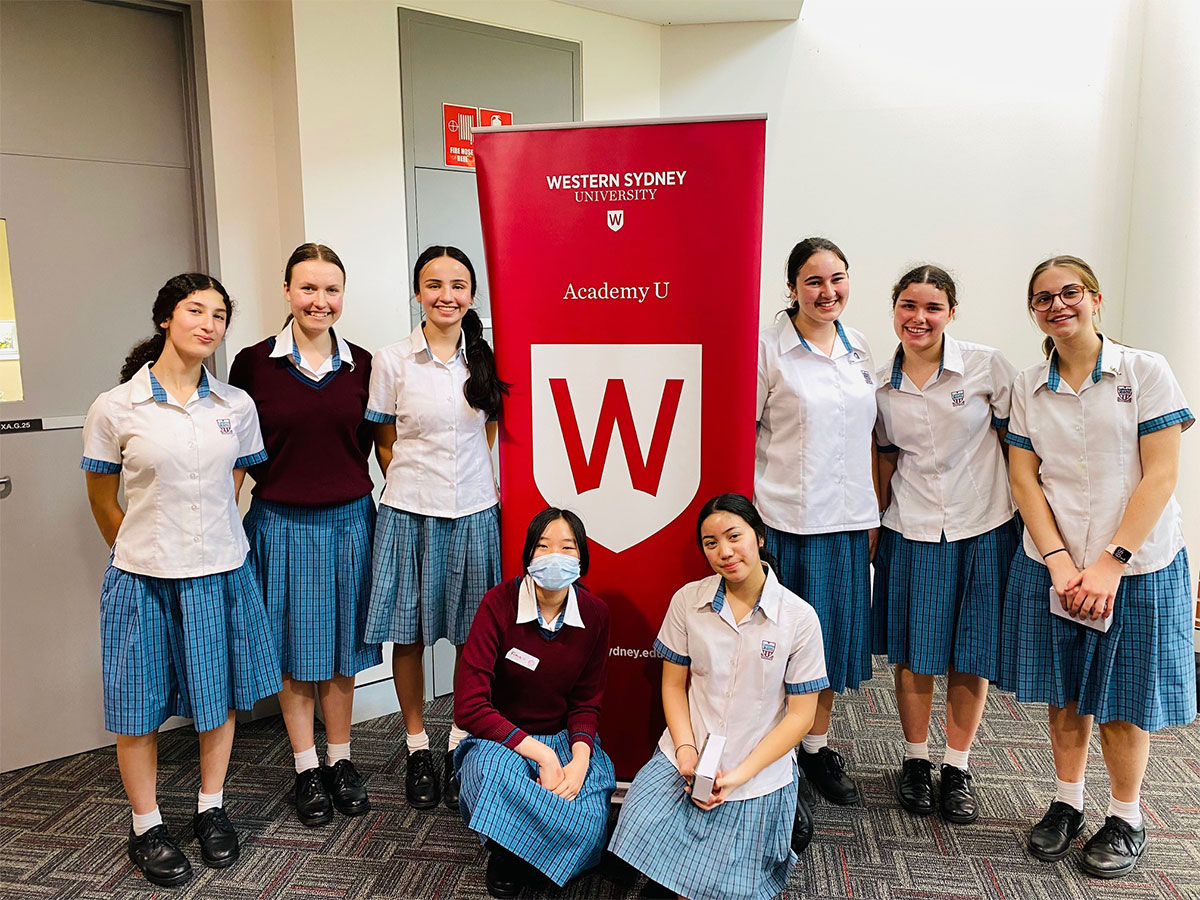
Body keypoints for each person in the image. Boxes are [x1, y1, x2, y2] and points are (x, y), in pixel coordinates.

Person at [81, 274, 279, 887]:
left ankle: (209, 807)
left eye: (220, 315)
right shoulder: (115, 407)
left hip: (220, 572)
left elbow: (236, 486)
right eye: (196, 310)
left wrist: (206, 539)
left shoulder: (236, 407)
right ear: (165, 318)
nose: (209, 324)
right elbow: (102, 496)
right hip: (142, 578)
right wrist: (140, 548)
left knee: (215, 700)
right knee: (136, 710)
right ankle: (146, 826)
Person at [1000, 255, 1194, 878]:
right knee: (1066, 693)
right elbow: (1024, 480)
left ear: (1096, 298)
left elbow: (1161, 473)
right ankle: (1067, 803)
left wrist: (1110, 563)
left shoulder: (1145, 371)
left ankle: (1127, 816)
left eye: (1070, 292)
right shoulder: (1029, 387)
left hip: (1136, 566)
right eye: (1043, 298)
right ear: (1033, 311)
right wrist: (1059, 561)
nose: (1058, 305)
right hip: (1057, 563)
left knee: (1121, 700)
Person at [609, 493, 826, 900]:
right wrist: (686, 750)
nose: (724, 552)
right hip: (686, 755)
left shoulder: (799, 619)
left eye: (734, 536)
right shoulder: (688, 602)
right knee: (639, 830)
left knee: (711, 885)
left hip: (757, 771)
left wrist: (741, 774)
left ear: (759, 537)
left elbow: (800, 717)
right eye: (710, 543)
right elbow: (673, 685)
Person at [228, 243, 378, 828]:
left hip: (348, 522)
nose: (320, 301)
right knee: (294, 656)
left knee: (340, 651)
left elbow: (371, 444)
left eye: (331, 289)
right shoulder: (252, 363)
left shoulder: (362, 364)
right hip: (279, 523)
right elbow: (238, 448)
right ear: (287, 293)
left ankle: (341, 760)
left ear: (343, 296)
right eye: (308, 289)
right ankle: (306, 766)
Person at [872, 264, 1019, 824]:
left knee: (970, 650)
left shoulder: (986, 366)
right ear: (894, 309)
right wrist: (874, 521)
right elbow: (885, 454)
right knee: (915, 651)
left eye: (932, 307)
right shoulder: (880, 382)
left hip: (983, 523)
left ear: (951, 313)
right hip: (910, 525)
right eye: (908, 305)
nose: (919, 318)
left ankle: (956, 766)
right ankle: (915, 761)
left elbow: (1016, 446)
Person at [363, 245, 506, 811]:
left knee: (475, 636)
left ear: (472, 294)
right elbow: (382, 437)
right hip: (409, 512)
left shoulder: (487, 359)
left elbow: (489, 433)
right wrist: (408, 480)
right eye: (434, 284)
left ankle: (462, 737)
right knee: (412, 632)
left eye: (458, 285)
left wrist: (471, 481)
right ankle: (418, 745)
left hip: (474, 512)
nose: (447, 295)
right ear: (418, 292)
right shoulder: (393, 359)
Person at [755, 236, 878, 830]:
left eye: (837, 278)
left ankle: (814, 748)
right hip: (786, 524)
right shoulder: (768, 352)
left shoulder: (862, 350)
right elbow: (743, 431)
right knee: (776, 648)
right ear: (791, 287)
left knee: (829, 645)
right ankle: (772, 755)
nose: (827, 292)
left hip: (850, 523)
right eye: (813, 281)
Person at [453, 508, 615, 898]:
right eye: (542, 547)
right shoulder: (498, 603)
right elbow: (470, 706)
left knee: (592, 808)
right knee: (490, 781)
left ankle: (520, 845)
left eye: (566, 547)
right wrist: (542, 757)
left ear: (582, 558)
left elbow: (586, 702)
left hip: (562, 738)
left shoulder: (595, 614)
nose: (553, 556)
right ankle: (516, 853)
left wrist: (577, 761)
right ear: (527, 555)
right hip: (502, 739)